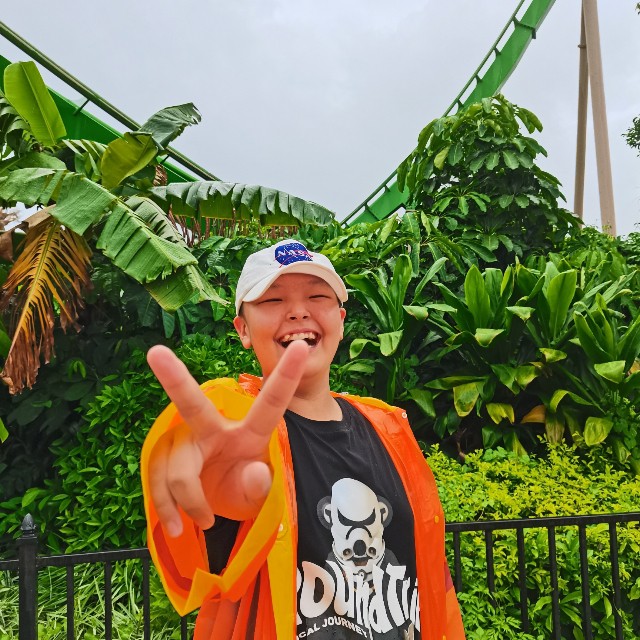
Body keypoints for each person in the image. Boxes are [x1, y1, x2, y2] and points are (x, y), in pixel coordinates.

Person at [141, 239, 466, 640]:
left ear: (340, 321)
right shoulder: (235, 426)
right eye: (273, 300)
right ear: (243, 330)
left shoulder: (389, 428)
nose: (298, 311)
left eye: (316, 296)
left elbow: (433, 582)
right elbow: (198, 568)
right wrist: (213, 514)